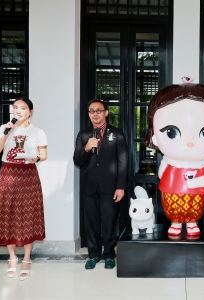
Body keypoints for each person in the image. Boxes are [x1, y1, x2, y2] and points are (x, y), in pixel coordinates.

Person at [144, 82, 204, 237]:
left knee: (195, 211)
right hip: (171, 193)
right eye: (171, 132)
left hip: (198, 196)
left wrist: (194, 183)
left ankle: (192, 223)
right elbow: (161, 174)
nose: (189, 142)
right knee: (173, 210)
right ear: (155, 137)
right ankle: (175, 223)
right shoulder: (169, 161)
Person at [0, 97, 47, 281]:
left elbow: (43, 155)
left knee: (27, 214)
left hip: (28, 175)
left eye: (22, 108)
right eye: (15, 108)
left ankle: (27, 259)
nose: (18, 111)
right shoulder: (5, 128)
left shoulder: (38, 131)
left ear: (31, 111)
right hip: (7, 173)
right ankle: (12, 258)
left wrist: (35, 158)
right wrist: (6, 132)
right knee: (7, 213)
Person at [73, 99, 128, 270]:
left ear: (106, 112)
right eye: (91, 111)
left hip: (110, 186)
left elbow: (123, 162)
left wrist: (121, 187)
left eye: (98, 110)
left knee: (109, 220)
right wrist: (87, 148)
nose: (95, 114)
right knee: (92, 222)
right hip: (89, 186)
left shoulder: (117, 134)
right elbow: (78, 160)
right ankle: (93, 254)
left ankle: (109, 254)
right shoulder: (83, 135)